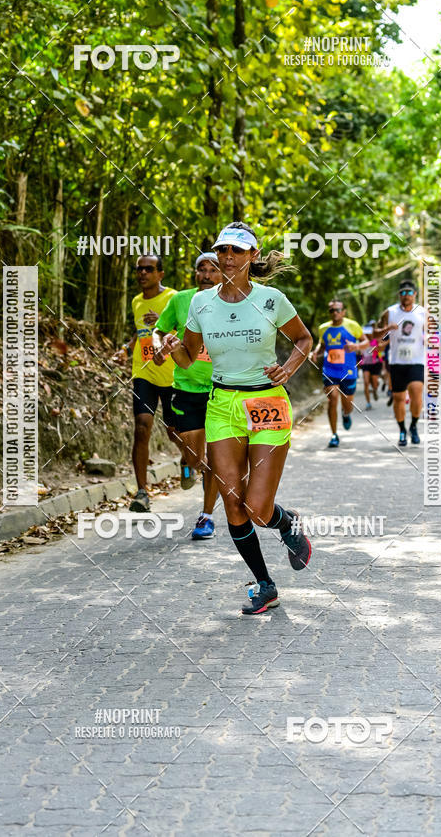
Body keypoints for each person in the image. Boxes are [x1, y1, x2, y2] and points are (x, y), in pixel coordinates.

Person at [160, 221, 313, 615]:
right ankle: (265, 585)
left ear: (252, 256)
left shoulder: (271, 299)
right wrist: (171, 347)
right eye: (222, 250)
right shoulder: (200, 303)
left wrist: (288, 369)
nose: (228, 257)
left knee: (258, 509)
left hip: (266, 403)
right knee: (232, 504)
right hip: (222, 404)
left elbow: (303, 339)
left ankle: (287, 523)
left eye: (237, 250)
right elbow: (187, 358)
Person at [153, 253, 222, 539]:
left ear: (223, 273)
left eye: (213, 270)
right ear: (194, 274)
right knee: (196, 459)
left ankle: (206, 516)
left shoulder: (233, 301)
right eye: (201, 269)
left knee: (215, 459)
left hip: (221, 389)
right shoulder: (182, 300)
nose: (206, 275)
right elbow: (159, 330)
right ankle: (187, 462)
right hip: (186, 388)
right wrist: (160, 347)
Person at [128, 255, 180, 512]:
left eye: (149, 269)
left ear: (160, 274)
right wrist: (126, 348)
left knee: (174, 431)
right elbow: (140, 332)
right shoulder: (136, 301)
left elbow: (188, 330)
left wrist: (161, 320)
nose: (143, 273)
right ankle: (141, 492)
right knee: (141, 426)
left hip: (172, 375)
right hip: (144, 372)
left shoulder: (174, 298)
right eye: (139, 269)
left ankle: (190, 461)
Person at [309, 300, 370, 447]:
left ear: (343, 312)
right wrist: (315, 352)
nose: (335, 313)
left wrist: (356, 346)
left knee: (347, 404)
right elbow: (322, 345)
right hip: (330, 369)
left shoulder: (352, 325)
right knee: (332, 399)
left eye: (338, 310)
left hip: (348, 371)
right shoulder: (323, 328)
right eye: (332, 310)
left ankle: (346, 414)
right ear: (329, 312)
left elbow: (366, 342)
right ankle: (334, 435)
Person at [375, 279, 426, 447]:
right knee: (398, 398)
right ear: (399, 295)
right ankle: (402, 430)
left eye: (409, 292)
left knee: (416, 392)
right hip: (397, 362)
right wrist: (386, 330)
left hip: (417, 361)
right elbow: (376, 334)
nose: (406, 295)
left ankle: (414, 425)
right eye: (403, 293)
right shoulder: (390, 312)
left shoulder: (423, 313)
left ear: (415, 294)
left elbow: (432, 335)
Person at [359, 320, 386, 410]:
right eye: (366, 333)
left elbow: (381, 350)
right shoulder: (361, 341)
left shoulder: (376, 340)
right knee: (366, 383)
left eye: (369, 333)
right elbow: (358, 352)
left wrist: (379, 348)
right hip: (365, 364)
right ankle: (368, 403)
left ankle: (374, 390)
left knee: (374, 383)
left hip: (375, 364)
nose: (367, 335)